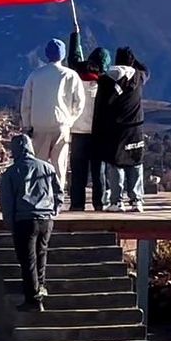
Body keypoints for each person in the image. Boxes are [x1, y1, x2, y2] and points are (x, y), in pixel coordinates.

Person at [0, 133, 62, 311]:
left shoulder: (12, 172)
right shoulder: (47, 168)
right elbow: (59, 193)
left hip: (25, 221)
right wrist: (54, 211)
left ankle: (33, 300)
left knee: (28, 261)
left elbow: (7, 202)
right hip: (46, 219)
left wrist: (10, 224)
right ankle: (40, 289)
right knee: (41, 256)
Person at [19, 37, 84, 182]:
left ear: (47, 54)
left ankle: (39, 195)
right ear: (63, 54)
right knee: (59, 165)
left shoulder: (35, 75)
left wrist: (27, 125)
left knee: (39, 164)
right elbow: (79, 102)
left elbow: (26, 103)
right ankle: (57, 197)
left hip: (38, 126)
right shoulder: (70, 75)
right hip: (61, 124)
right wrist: (70, 120)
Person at [96, 47, 150, 212]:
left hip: (114, 128)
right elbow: (146, 69)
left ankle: (117, 201)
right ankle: (136, 200)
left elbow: (100, 106)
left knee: (115, 162)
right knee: (135, 161)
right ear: (131, 61)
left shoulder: (105, 79)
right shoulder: (138, 77)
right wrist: (134, 62)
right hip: (135, 126)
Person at [64, 34, 102, 211]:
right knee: (98, 173)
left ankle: (77, 204)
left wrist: (75, 37)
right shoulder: (104, 86)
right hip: (97, 134)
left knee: (78, 172)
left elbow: (73, 59)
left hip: (77, 132)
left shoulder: (75, 81)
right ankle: (99, 203)